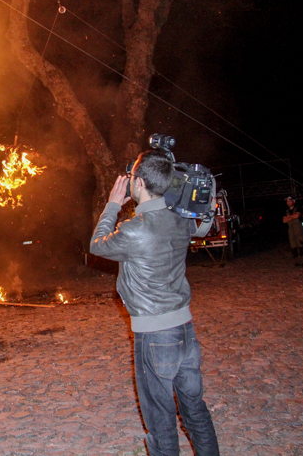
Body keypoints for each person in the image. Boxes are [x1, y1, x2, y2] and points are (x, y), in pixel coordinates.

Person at [90, 150, 220, 456]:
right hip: (185, 331)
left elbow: (97, 245)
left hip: (155, 337)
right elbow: (196, 222)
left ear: (138, 183)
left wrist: (112, 204)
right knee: (195, 412)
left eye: (132, 177)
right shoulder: (180, 220)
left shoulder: (136, 229)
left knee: (161, 423)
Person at [283, 196, 303, 266]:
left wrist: (289, 217)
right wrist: (292, 216)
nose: (288, 202)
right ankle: (298, 261)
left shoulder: (298, 208)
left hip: (298, 229)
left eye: (289, 201)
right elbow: (284, 220)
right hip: (291, 230)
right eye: (287, 201)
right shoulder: (286, 211)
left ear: (293, 201)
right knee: (293, 246)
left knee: (301, 245)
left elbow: (297, 216)